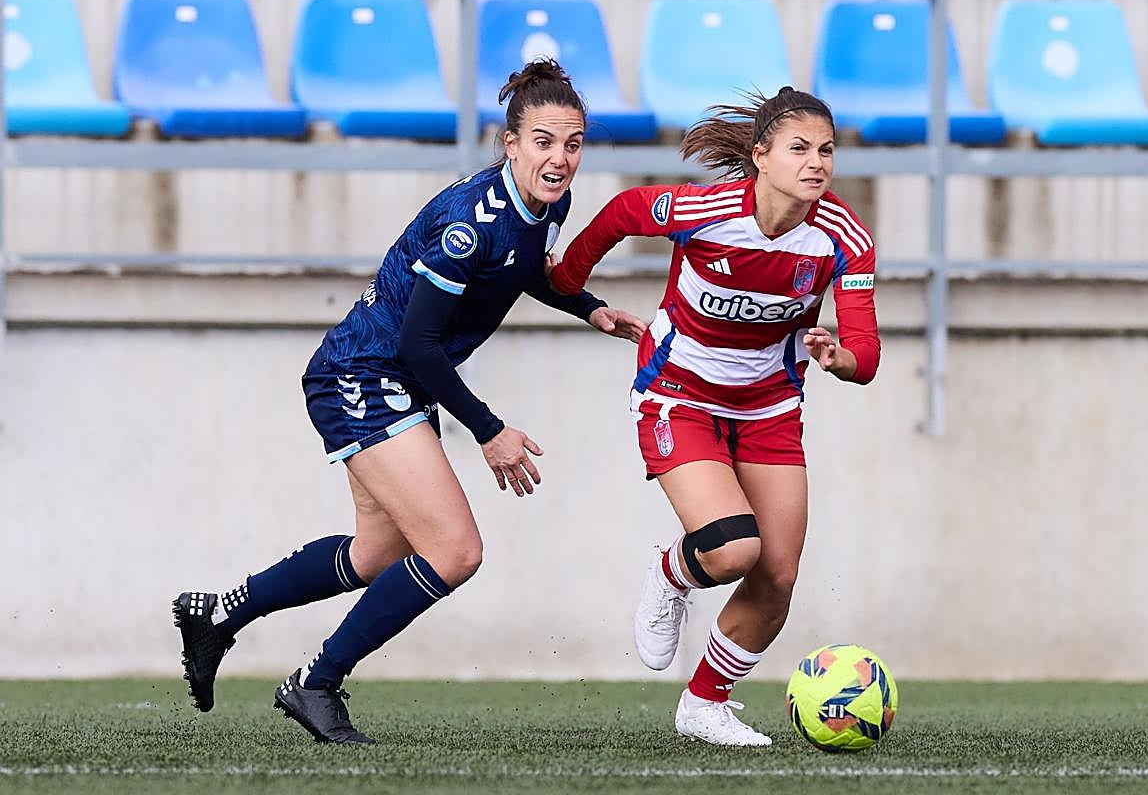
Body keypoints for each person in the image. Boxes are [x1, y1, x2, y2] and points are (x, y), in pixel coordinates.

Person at [172, 59, 645, 745]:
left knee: (374, 554)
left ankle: (219, 612)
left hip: (392, 379)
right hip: (363, 375)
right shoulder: (469, 224)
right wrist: (489, 430)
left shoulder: (545, 204)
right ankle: (315, 683)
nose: (560, 158)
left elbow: (522, 269)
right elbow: (419, 344)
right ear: (508, 142)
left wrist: (590, 308)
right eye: (542, 141)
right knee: (454, 550)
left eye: (572, 144)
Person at [549, 87, 880, 747]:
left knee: (778, 573)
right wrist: (566, 280)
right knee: (732, 549)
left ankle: (704, 705)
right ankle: (671, 574)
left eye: (826, 151)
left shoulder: (844, 236)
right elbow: (622, 211)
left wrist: (838, 357)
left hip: (770, 409)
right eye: (799, 149)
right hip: (677, 393)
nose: (816, 162)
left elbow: (865, 355)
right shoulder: (701, 209)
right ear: (760, 156)